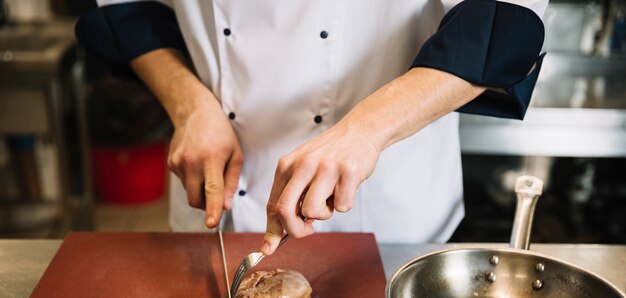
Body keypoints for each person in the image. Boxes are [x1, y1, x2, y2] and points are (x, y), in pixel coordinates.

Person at [76, 0, 547, 255]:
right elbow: (129, 11)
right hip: (210, 191)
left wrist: (365, 130)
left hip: (385, 212)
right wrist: (189, 105)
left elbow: (499, 24)